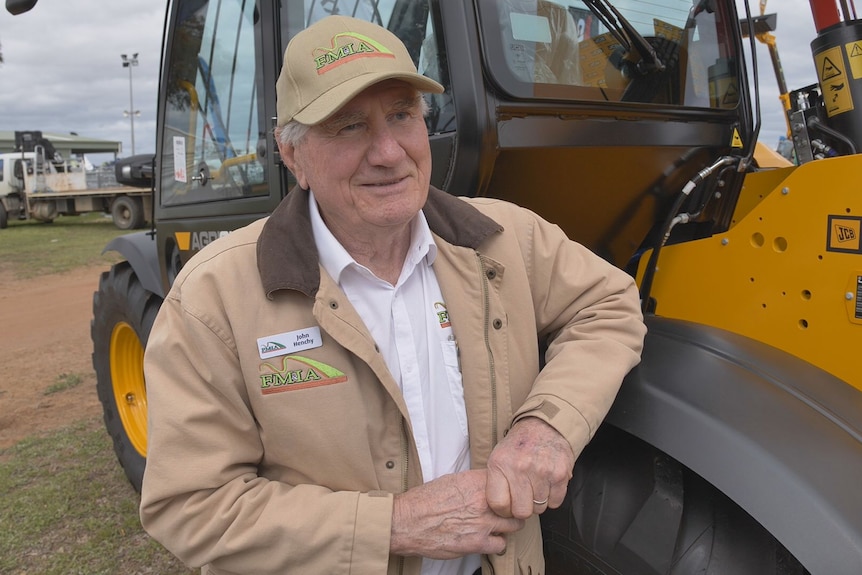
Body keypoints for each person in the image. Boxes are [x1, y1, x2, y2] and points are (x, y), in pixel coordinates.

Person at [140, 15, 646, 575]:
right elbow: (190, 506)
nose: (388, 152)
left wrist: (547, 427)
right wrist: (395, 525)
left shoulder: (506, 240)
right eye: (348, 126)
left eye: (402, 115)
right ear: (293, 156)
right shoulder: (212, 298)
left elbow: (608, 304)